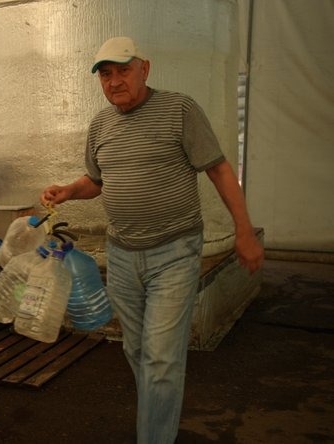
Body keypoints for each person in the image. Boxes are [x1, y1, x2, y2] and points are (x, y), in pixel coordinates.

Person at [41, 36, 264, 444]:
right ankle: (157, 419)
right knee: (138, 352)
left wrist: (244, 230)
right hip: (123, 255)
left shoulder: (179, 109)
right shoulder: (100, 125)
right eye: (105, 74)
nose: (114, 81)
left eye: (123, 70)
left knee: (160, 359)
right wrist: (69, 191)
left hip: (174, 252)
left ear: (145, 68)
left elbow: (218, 170)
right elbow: (97, 181)